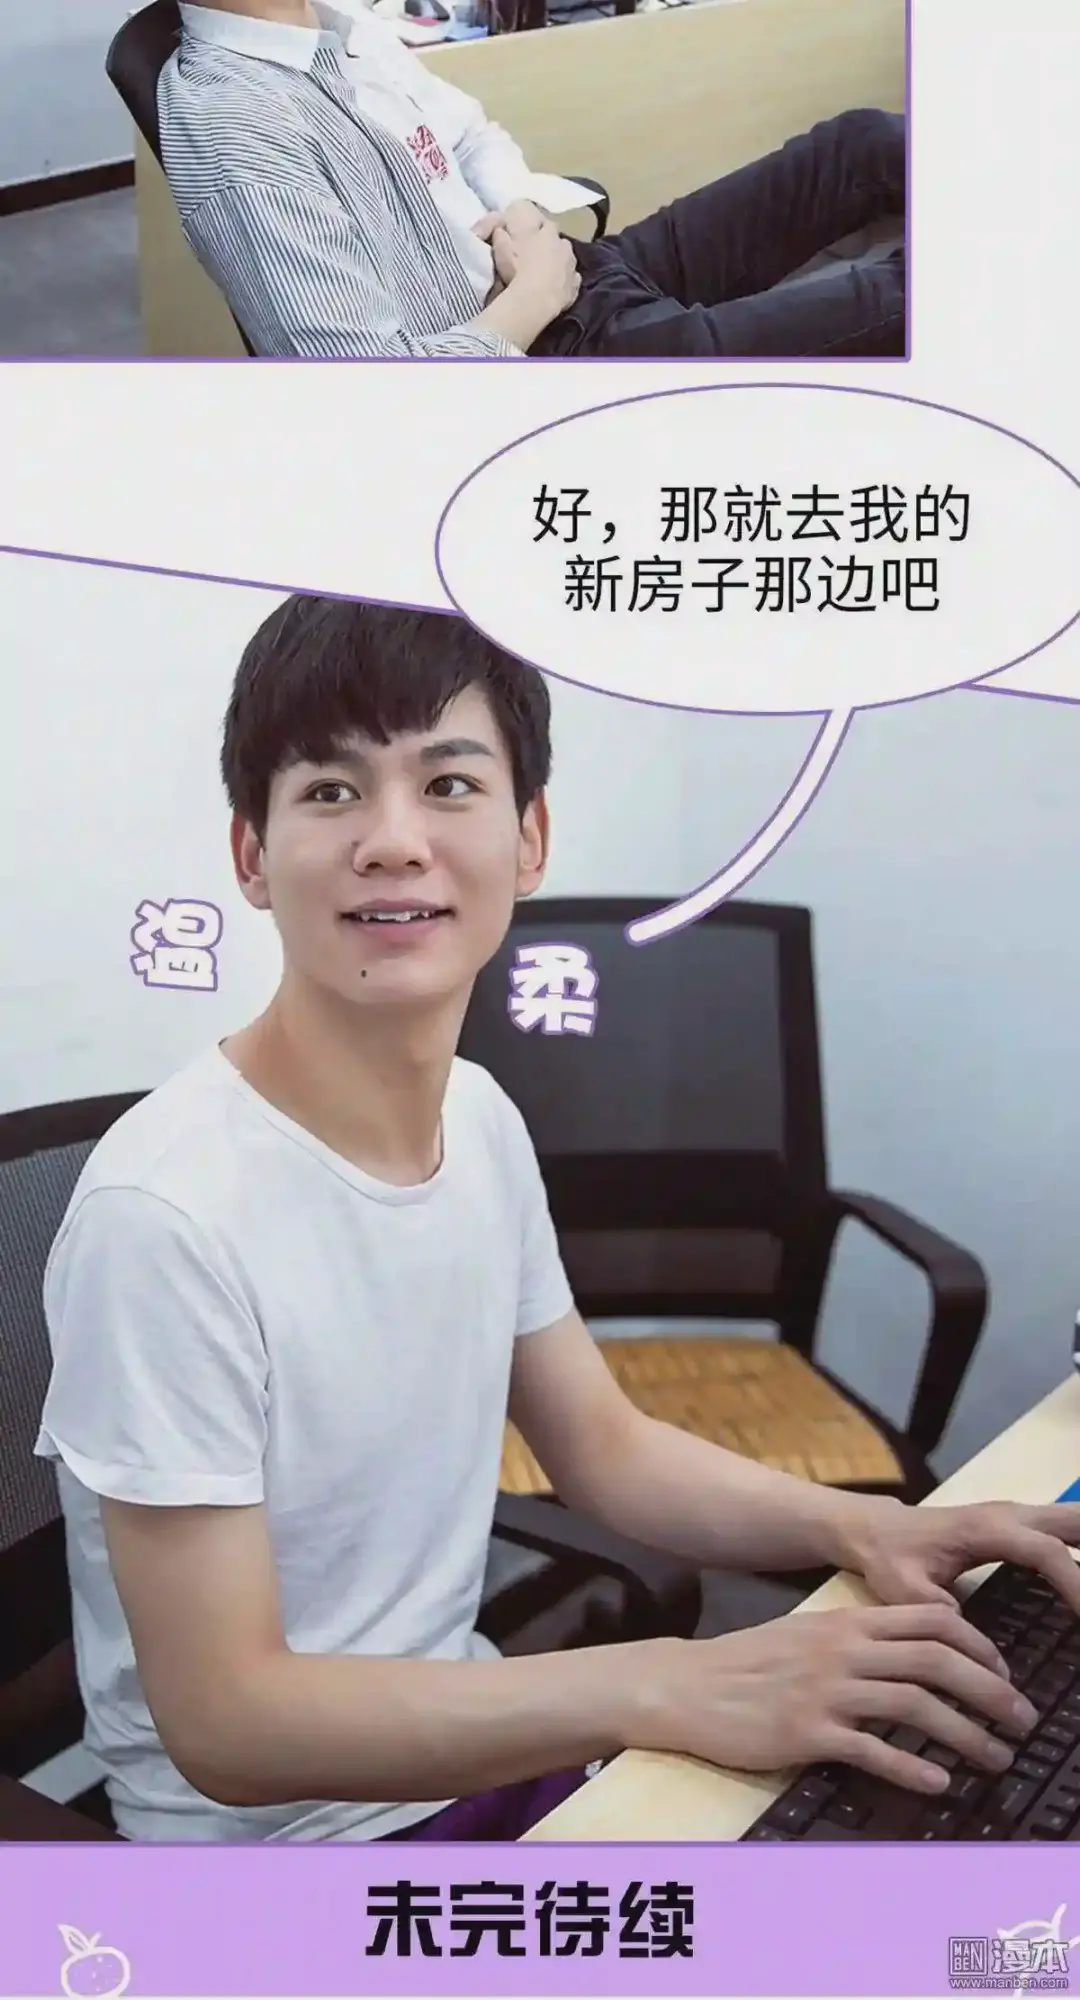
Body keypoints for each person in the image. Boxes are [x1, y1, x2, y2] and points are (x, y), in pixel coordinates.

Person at [37, 595, 1073, 1844]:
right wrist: (667, 1682)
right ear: (251, 855)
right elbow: (229, 1720)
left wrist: (866, 1523)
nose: (393, 840)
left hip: (474, 1748)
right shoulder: (166, 1216)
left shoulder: (477, 1116)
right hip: (286, 1854)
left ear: (528, 837)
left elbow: (602, 1446)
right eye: (330, 790)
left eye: (449, 783)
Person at [156, 1, 906, 362]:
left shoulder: (338, 27)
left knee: (860, 143)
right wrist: (536, 295)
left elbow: (471, 133)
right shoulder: (235, 130)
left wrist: (522, 212)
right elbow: (381, 400)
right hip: (538, 352)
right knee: (902, 297)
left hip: (563, 272)